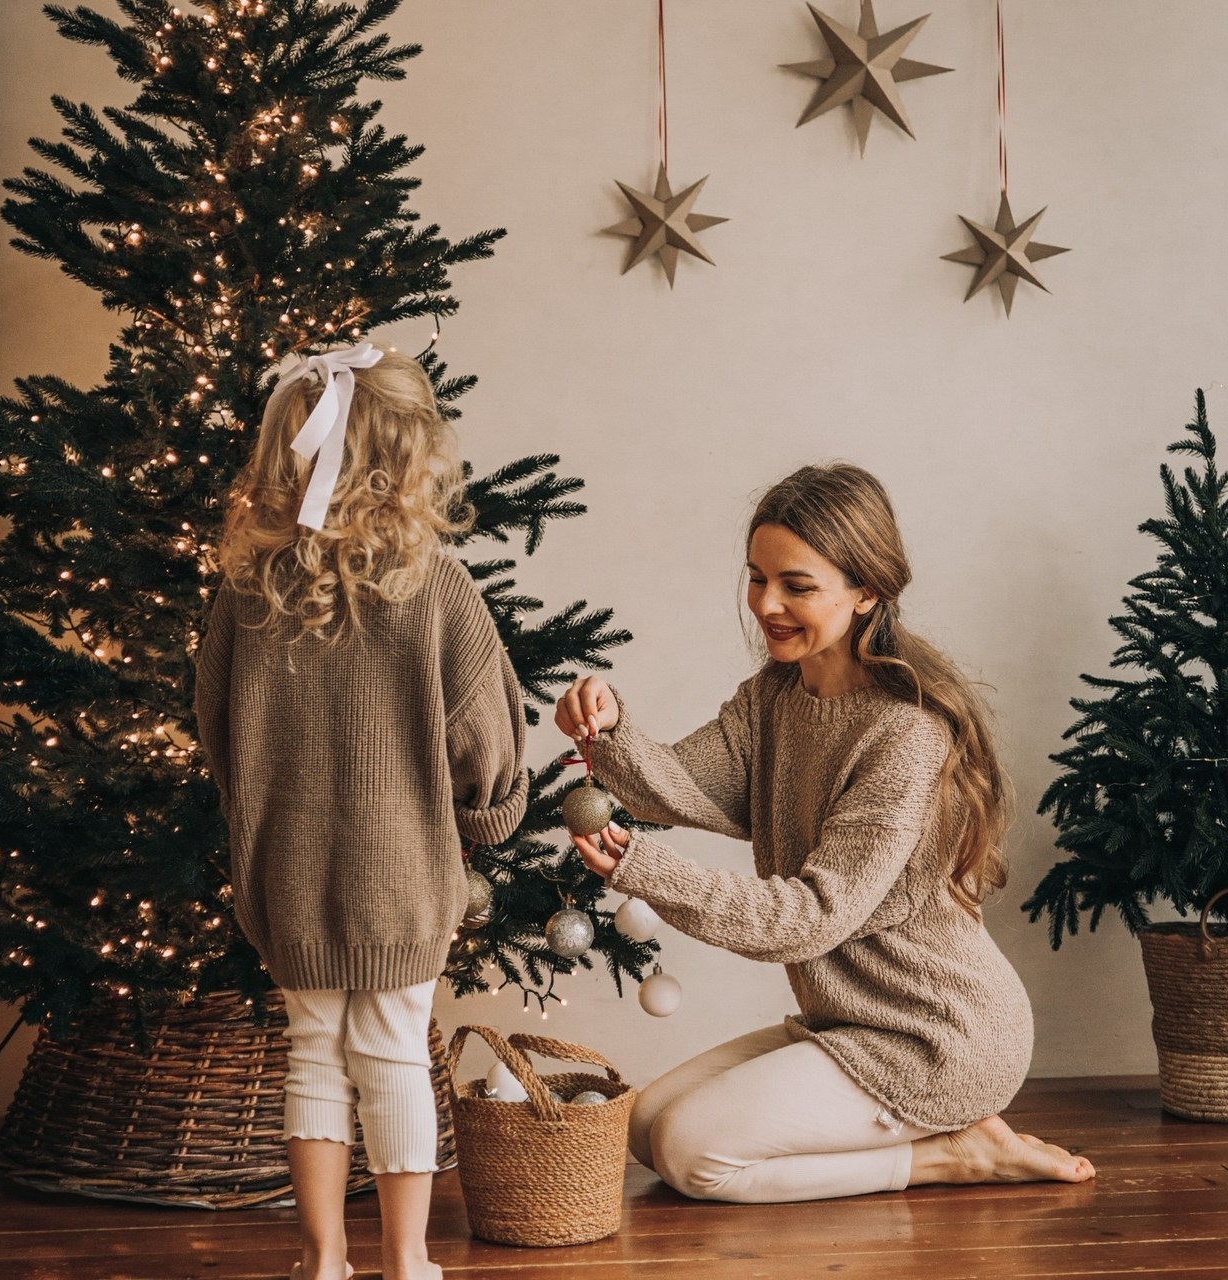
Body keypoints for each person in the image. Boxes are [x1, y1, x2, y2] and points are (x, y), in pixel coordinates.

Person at [553, 462, 1095, 1205]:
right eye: (756, 578)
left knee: (687, 1152)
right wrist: (609, 730)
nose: (766, 605)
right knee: (645, 1125)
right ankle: (946, 1143)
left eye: (796, 586)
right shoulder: (774, 697)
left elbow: (811, 918)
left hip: (937, 1037)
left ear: (866, 590)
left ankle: (956, 1155)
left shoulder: (904, 735)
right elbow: (678, 784)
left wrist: (648, 871)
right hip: (847, 1021)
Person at [196, 345, 528, 1280]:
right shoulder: (437, 585)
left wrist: (252, 800)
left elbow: (213, 717)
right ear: (414, 457)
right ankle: (409, 1261)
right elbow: (486, 733)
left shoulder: (249, 586)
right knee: (391, 1054)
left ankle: (323, 1259)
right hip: (402, 871)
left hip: (286, 868)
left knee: (312, 1052)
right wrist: (486, 817)